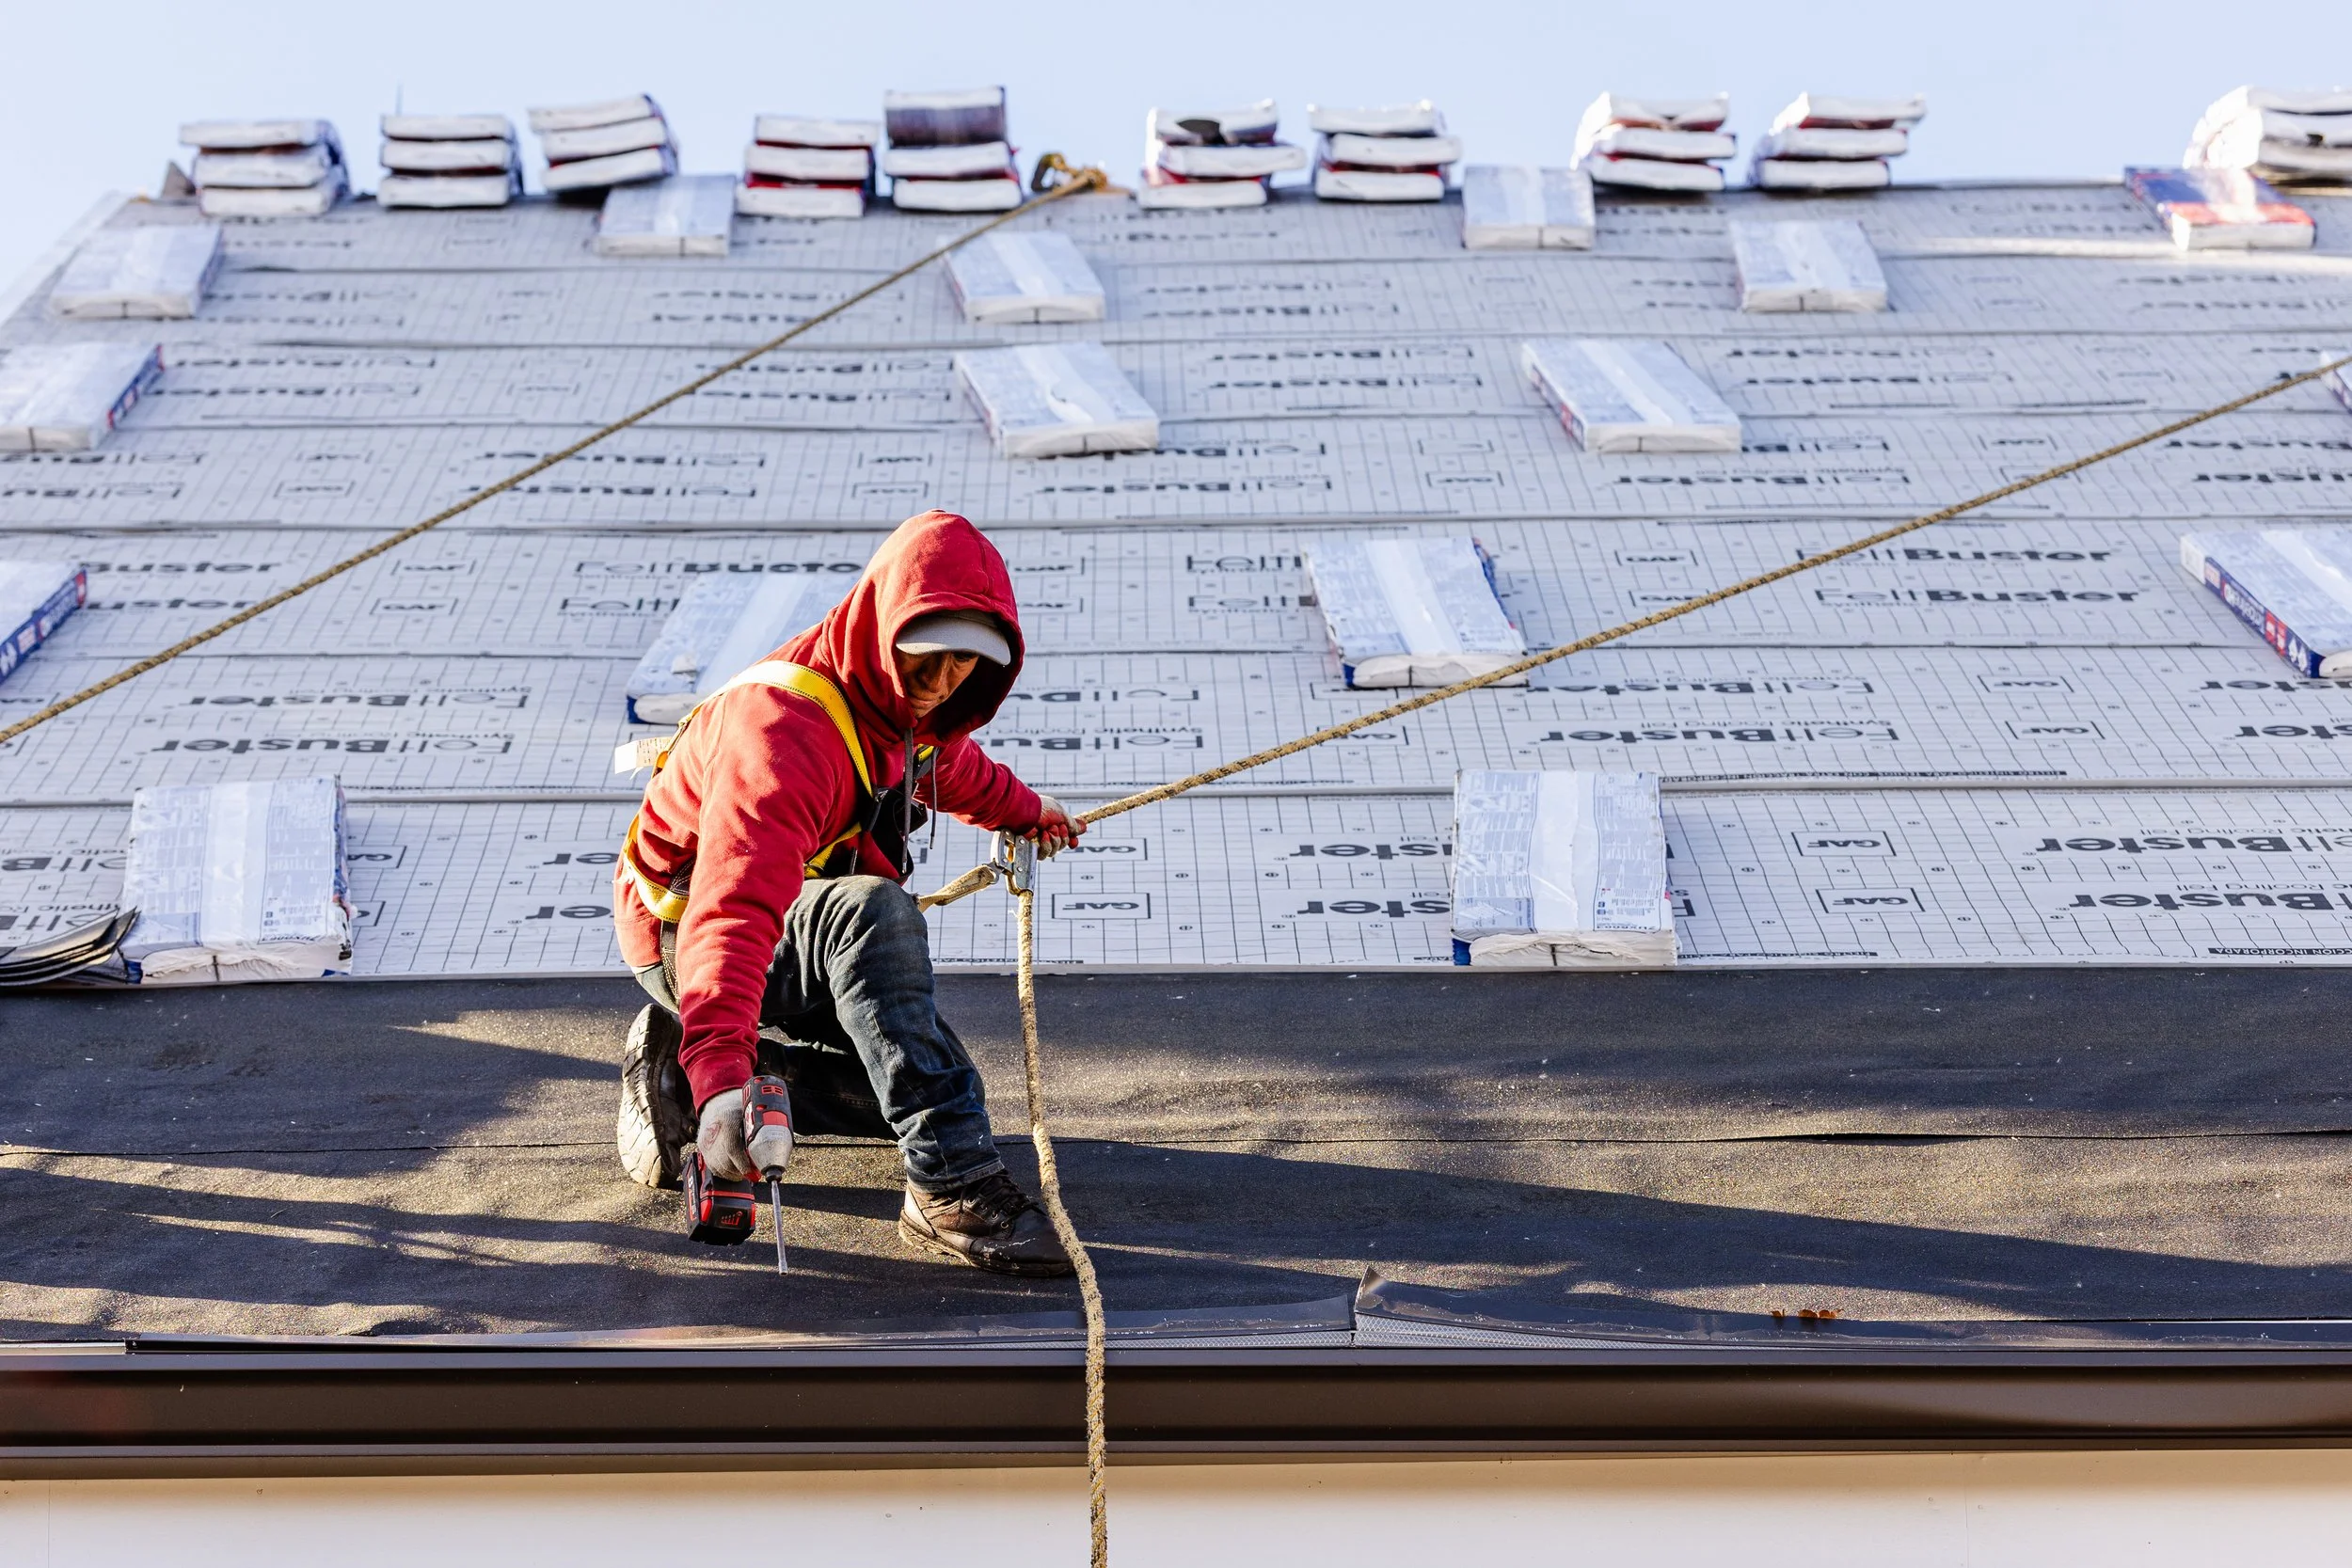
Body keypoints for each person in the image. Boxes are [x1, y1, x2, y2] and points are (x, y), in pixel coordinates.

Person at [612, 509, 1085, 1276]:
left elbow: (946, 765)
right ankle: (947, 1188)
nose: (938, 684)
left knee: (916, 1083)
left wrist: (1030, 814)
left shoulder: (895, 699)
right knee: (873, 913)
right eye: (926, 660)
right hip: (693, 942)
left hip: (790, 928)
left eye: (963, 666)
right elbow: (730, 916)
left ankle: (676, 1065)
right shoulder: (783, 736)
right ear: (885, 622)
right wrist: (726, 1087)